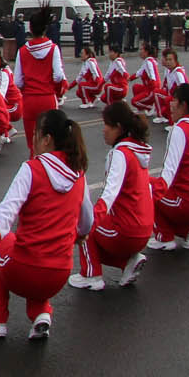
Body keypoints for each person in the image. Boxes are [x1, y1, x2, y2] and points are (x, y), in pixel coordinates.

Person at [0, 110, 91, 340]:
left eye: (35, 134)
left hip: (26, 272)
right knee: (43, 252)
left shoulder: (32, 169)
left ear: (46, 139)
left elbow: (2, 219)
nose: (32, 139)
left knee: (2, 242)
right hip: (59, 275)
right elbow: (87, 222)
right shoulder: (79, 173)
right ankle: (41, 312)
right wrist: (79, 235)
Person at [71, 99, 154, 291]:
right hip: (144, 229)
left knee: (85, 221)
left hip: (126, 230)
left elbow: (110, 193)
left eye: (107, 125)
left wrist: (91, 220)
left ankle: (91, 275)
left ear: (118, 127)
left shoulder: (120, 153)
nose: (103, 130)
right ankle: (127, 262)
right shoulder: (139, 150)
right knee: (98, 225)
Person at [147, 83, 189, 251]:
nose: (170, 103)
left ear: (184, 105)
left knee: (145, 185)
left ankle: (164, 237)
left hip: (188, 200)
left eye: (174, 99)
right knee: (156, 186)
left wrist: (150, 192)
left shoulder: (180, 130)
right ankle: (188, 230)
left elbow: (169, 172)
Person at [13, 10, 66, 138]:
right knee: (51, 140)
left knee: (33, 141)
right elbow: (59, 75)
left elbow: (18, 82)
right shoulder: (53, 49)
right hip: (47, 98)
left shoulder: (22, 51)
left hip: (29, 100)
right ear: (45, 28)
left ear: (30, 28)